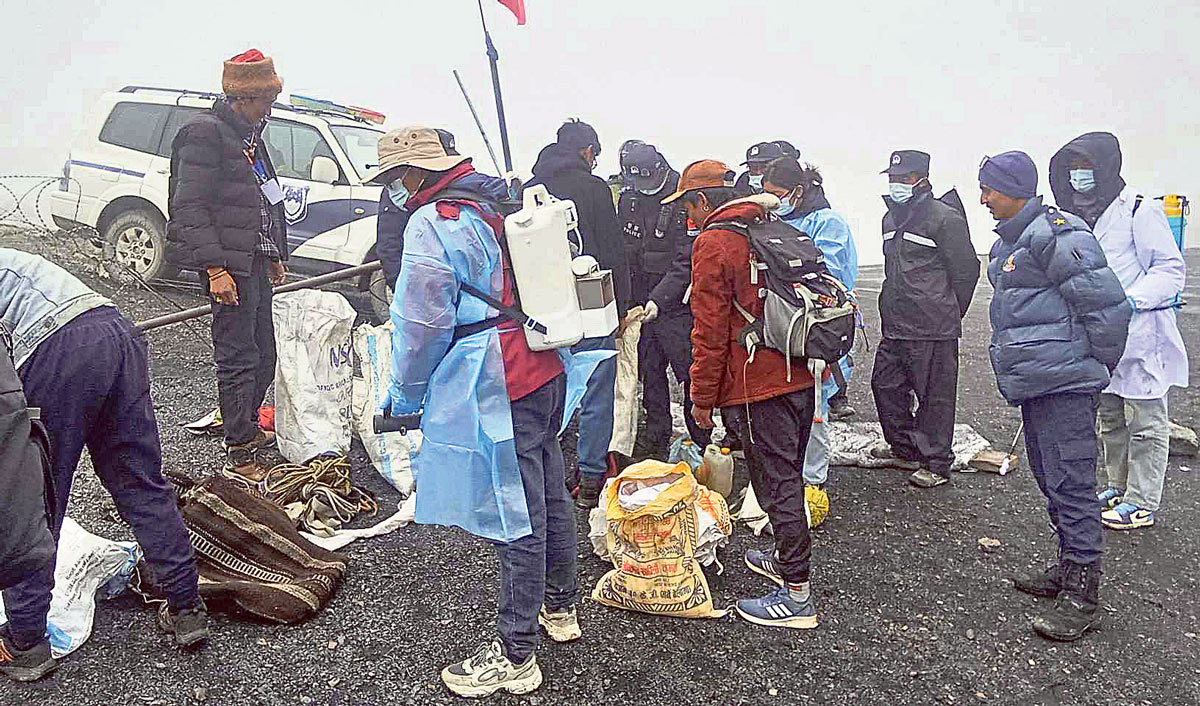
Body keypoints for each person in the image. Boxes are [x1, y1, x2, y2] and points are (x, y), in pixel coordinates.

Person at [369, 127, 578, 697]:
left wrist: (405, 395)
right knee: (551, 494)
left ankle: (516, 653)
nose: (395, 190)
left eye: (394, 178)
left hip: (499, 375)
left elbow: (421, 323)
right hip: (548, 360)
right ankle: (559, 611)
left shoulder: (435, 222)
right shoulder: (505, 199)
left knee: (515, 512)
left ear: (411, 173)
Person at [0, 249, 208, 682]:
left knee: (33, 497)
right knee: (139, 480)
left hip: (59, 344)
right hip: (116, 330)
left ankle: (26, 641)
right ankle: (187, 607)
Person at [979, 151, 1132, 642]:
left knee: (1072, 483)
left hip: (1064, 385)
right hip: (1039, 383)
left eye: (991, 189)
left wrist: (1092, 369)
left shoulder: (1058, 235)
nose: (983, 198)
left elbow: (1109, 308)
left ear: (1016, 188)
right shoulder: (1017, 241)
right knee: (1052, 478)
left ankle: (1084, 593)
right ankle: (1068, 568)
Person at [668, 160, 820, 629]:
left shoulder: (715, 243)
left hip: (756, 387)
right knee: (788, 475)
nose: (686, 218)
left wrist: (701, 398)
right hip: (799, 375)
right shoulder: (768, 228)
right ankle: (783, 558)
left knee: (778, 487)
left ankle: (797, 598)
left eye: (687, 207)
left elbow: (709, 331)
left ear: (702, 201)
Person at [1049, 132, 1188, 531]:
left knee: (1146, 419)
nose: (1079, 176)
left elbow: (1168, 268)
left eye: (1086, 167)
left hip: (1141, 330)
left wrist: (1129, 301)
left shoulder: (1139, 211)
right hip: (1099, 334)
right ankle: (1117, 485)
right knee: (1109, 416)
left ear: (1107, 167)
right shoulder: (1073, 216)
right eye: (1072, 168)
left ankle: (1141, 501)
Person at [167, 49, 288, 481]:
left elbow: (262, 199)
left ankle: (248, 426)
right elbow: (190, 206)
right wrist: (215, 269)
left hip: (254, 261)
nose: (269, 109)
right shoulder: (205, 134)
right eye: (265, 101)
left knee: (265, 354)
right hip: (228, 267)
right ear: (242, 98)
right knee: (238, 358)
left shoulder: (250, 137)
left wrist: (274, 253)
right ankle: (240, 450)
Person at [527, 119, 631, 508]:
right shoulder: (593, 188)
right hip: (590, 301)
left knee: (544, 387)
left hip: (538, 308)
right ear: (588, 151)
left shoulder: (529, 188)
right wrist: (622, 301)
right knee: (596, 387)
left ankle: (539, 473)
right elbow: (612, 248)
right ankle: (590, 478)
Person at [872, 150, 980, 488]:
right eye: (892, 178)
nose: (896, 184)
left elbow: (966, 271)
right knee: (885, 386)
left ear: (921, 179)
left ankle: (936, 462)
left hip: (933, 326)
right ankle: (904, 449)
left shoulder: (944, 218)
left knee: (935, 398)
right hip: (896, 324)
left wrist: (946, 310)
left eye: (903, 178)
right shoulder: (890, 220)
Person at [762, 158, 859, 523]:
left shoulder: (827, 223)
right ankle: (784, 478)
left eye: (777, 195)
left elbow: (826, 275)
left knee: (815, 409)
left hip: (816, 327)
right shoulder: (773, 221)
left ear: (798, 192)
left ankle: (813, 482)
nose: (772, 202)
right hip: (781, 328)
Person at [617, 141, 710, 459]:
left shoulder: (682, 197)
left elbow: (687, 258)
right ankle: (655, 435)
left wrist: (660, 298)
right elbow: (624, 247)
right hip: (641, 302)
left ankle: (700, 440)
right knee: (650, 371)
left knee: (690, 372)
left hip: (677, 304)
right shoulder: (629, 195)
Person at [375, 129, 509, 291]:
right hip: (509, 306)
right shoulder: (485, 189)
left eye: (390, 178)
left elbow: (422, 305)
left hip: (468, 313)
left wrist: (401, 293)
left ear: (416, 170)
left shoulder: (428, 219)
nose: (391, 187)